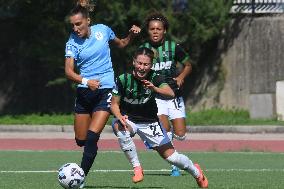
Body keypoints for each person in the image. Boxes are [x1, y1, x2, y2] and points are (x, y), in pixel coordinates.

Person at [64, 1, 140, 188]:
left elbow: (121, 43)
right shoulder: (72, 42)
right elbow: (68, 71)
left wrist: (131, 34)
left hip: (105, 91)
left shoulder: (103, 30)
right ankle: (86, 156)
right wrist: (85, 81)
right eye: (72, 25)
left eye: (79, 24)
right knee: (81, 141)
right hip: (84, 94)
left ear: (88, 21)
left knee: (92, 138)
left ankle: (80, 178)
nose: (76, 28)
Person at [111, 47, 208, 188]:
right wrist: (119, 116)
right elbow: (114, 104)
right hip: (130, 120)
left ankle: (197, 172)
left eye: (146, 64)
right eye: (139, 63)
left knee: (172, 158)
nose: (142, 67)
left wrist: (154, 88)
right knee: (119, 126)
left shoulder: (155, 77)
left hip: (150, 123)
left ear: (151, 65)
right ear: (133, 62)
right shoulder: (123, 79)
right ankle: (137, 168)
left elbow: (170, 93)